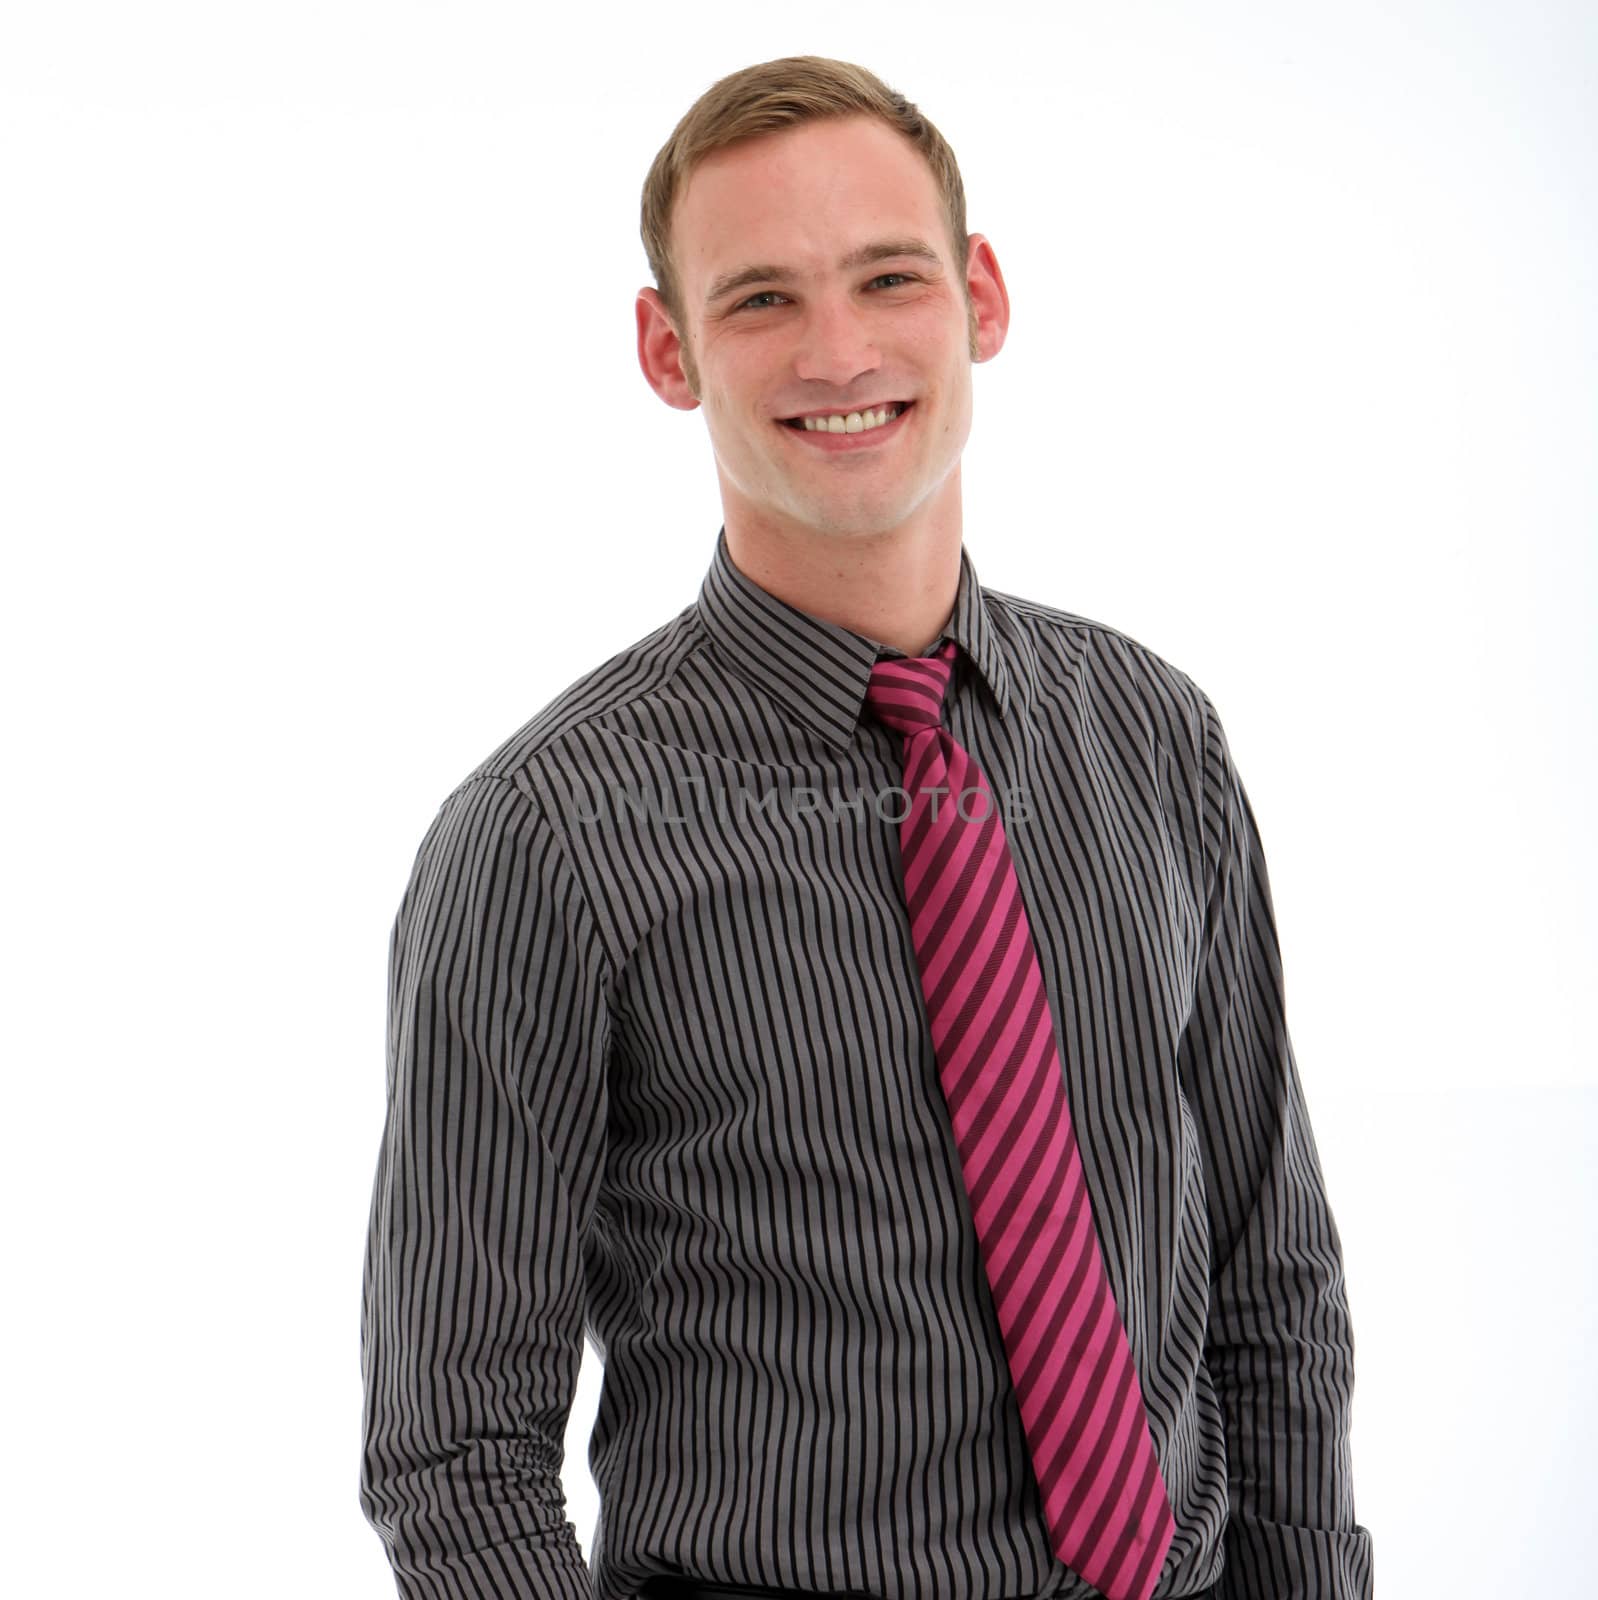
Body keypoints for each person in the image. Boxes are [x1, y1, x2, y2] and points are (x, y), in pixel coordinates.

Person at [358, 54, 1373, 1600]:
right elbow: (455, 1453)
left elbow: (1269, 1281)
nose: (837, 351)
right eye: (759, 297)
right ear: (666, 348)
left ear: (979, 297)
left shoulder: (1152, 733)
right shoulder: (543, 836)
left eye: (884, 277)